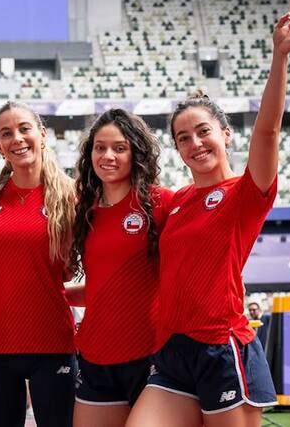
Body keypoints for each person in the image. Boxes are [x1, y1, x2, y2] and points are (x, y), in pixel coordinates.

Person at [127, 0, 290, 427]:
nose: (195, 143)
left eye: (203, 131)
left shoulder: (246, 193)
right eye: (183, 138)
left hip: (221, 347)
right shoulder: (176, 202)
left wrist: (278, 57)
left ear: (225, 134)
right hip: (173, 350)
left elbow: (267, 131)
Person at [0, 101, 77, 427]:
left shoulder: (71, 196)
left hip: (53, 342)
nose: (16, 138)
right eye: (6, 133)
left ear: (42, 135)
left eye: (24, 129)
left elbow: (77, 268)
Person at [71, 109, 174, 427]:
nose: (107, 156)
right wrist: (53, 297)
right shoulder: (85, 212)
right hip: (95, 356)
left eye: (119, 147)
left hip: (151, 357)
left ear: (136, 152)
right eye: (99, 147)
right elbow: (105, 287)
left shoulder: (162, 204)